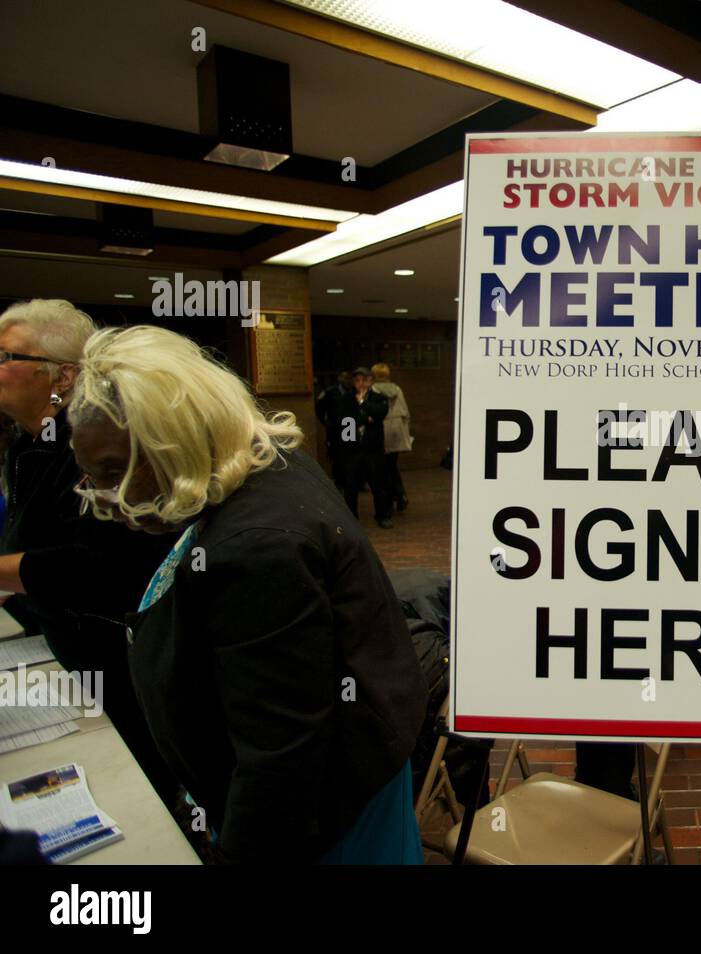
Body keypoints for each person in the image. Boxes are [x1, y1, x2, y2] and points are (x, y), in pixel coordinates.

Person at [67, 326, 427, 864]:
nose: (102, 496)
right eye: (92, 474)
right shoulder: (262, 461)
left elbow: (280, 757)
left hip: (325, 814)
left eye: (115, 472)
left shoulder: (255, 549)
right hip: (355, 769)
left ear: (177, 441)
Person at [0, 299, 179, 801]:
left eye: (7, 356)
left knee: (136, 786)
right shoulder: (27, 444)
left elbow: (100, 567)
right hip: (55, 639)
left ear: (62, 375)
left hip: (113, 653)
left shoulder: (96, 446)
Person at [334, 366, 393, 528]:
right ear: (353, 382)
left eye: (364, 380)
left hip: (373, 449)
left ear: (370, 381)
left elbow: (380, 413)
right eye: (357, 380)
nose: (361, 384)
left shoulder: (378, 397)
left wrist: (362, 404)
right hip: (353, 450)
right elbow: (345, 423)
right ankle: (351, 517)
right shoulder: (346, 399)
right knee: (351, 486)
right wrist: (366, 419)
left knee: (378, 484)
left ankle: (382, 515)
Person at [370, 363, 412, 513]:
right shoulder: (397, 389)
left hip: (383, 431)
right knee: (392, 465)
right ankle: (400, 496)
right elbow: (405, 412)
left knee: (383, 469)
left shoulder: (373, 390)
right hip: (397, 431)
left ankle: (393, 498)